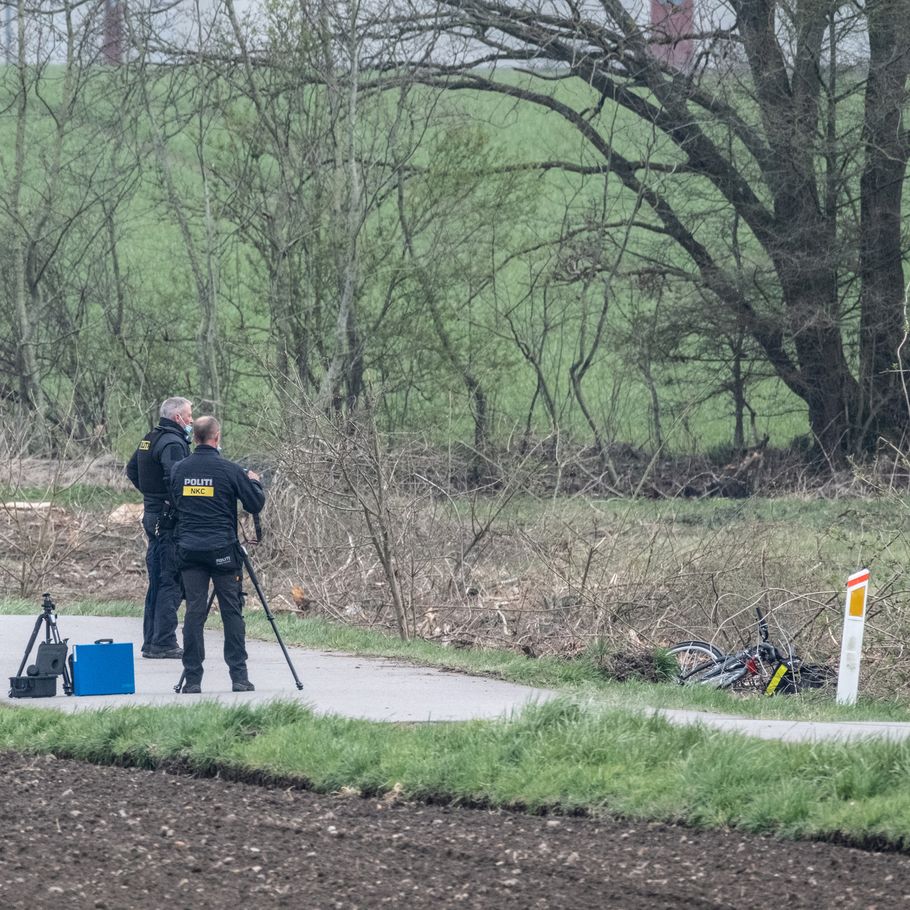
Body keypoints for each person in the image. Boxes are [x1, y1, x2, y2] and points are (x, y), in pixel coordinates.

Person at [169, 416, 265, 693]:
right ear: (217, 437)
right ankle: (239, 677)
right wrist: (254, 483)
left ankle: (193, 680)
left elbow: (174, 502)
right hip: (222, 551)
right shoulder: (230, 470)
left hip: (189, 551)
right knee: (231, 612)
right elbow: (254, 503)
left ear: (195, 437)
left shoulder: (179, 470)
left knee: (194, 613)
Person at [126, 396, 193, 659]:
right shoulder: (173, 443)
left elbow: (132, 469)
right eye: (188, 416)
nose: (191, 421)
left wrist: (151, 496)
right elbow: (177, 479)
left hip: (152, 515)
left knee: (156, 578)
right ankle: (164, 642)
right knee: (170, 580)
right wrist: (175, 504)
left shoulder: (150, 438)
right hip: (167, 522)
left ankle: (151, 641)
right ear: (177, 417)